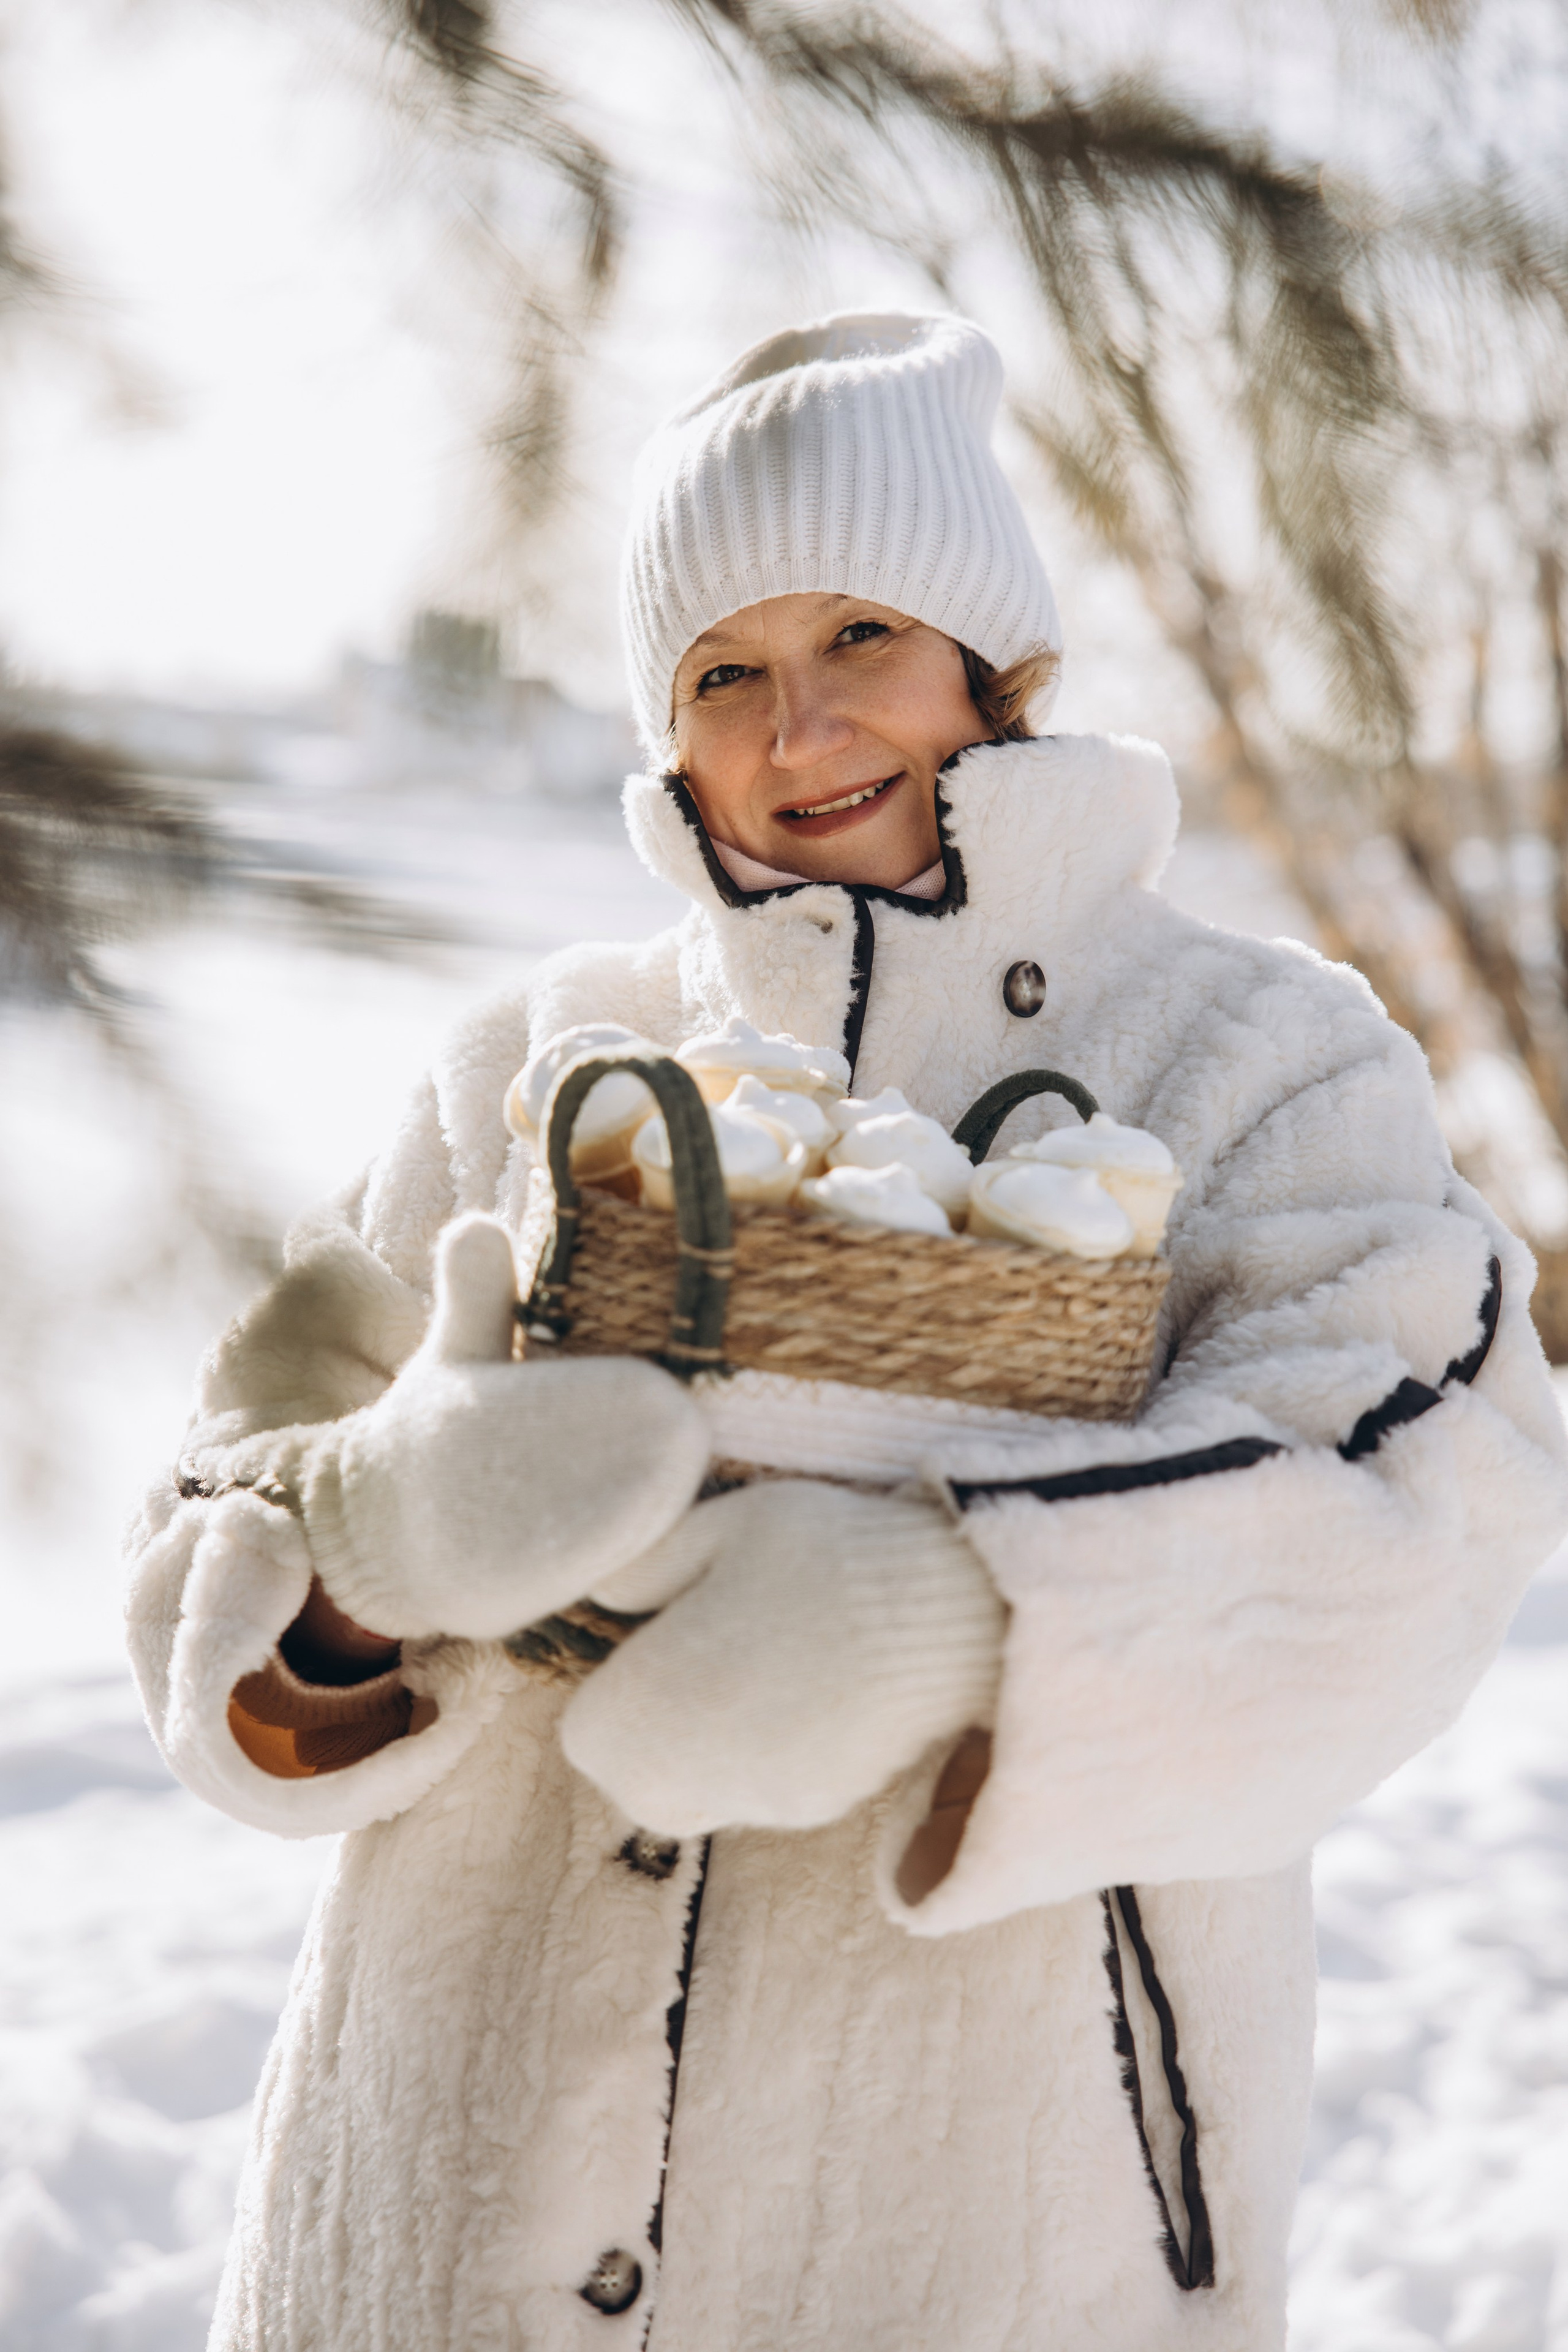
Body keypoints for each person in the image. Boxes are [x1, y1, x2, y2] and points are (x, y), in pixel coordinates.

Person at [126, 312, 1568, 2352]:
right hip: (446, 2207)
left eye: (861, 636)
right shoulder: (532, 1064)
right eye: (722, 675)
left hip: (991, 2230)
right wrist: (368, 1543)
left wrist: (954, 1618)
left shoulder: (1262, 1055)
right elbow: (215, 1515)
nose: (798, 731)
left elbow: (1429, 1497)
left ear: (997, 664)